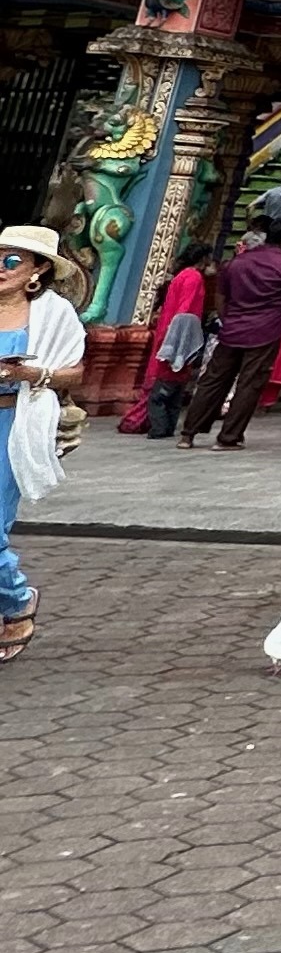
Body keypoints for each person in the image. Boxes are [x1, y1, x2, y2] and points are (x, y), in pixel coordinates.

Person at [0, 225, 86, 659]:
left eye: (12, 260)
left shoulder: (53, 313)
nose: (1, 269)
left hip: (12, 424)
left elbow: (75, 372)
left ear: (38, 269)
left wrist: (32, 375)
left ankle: (17, 602)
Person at [180, 196, 281, 449]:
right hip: (265, 331)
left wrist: (228, 318)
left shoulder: (237, 261)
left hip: (232, 328)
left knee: (213, 379)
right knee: (249, 384)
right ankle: (228, 437)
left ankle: (189, 432)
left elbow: (221, 294)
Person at [131, 256, 210, 438]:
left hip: (172, 340)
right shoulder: (193, 277)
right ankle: (165, 428)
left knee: (162, 393)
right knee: (172, 394)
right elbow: (185, 308)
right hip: (180, 341)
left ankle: (159, 428)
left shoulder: (183, 276)